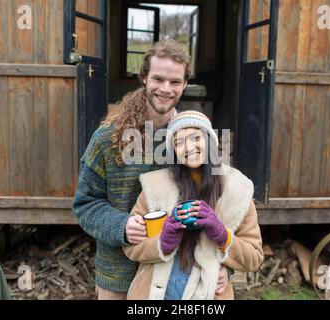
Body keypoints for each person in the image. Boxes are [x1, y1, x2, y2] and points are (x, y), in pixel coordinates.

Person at [72, 40, 229, 300]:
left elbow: (219, 208)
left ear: (185, 84)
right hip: (119, 276)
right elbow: (85, 203)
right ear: (144, 77)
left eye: (175, 82)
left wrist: (222, 266)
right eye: (158, 79)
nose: (166, 89)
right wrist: (121, 226)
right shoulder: (108, 138)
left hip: (176, 277)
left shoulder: (193, 140)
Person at [123, 111, 264, 299]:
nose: (188, 147)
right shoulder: (154, 187)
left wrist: (223, 236)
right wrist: (163, 243)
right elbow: (131, 246)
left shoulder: (238, 189)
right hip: (156, 292)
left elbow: (254, 259)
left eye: (196, 137)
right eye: (178, 142)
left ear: (209, 141)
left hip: (209, 293)